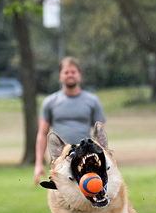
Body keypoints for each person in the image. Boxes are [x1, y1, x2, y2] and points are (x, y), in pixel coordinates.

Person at [34, 57, 106, 185]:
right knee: (61, 199)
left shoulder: (92, 101)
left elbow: (100, 134)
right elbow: (42, 133)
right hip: (61, 159)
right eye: (66, 72)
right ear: (60, 76)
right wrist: (39, 163)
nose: (70, 75)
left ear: (79, 75)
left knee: (87, 195)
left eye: (73, 72)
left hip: (86, 158)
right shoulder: (50, 102)